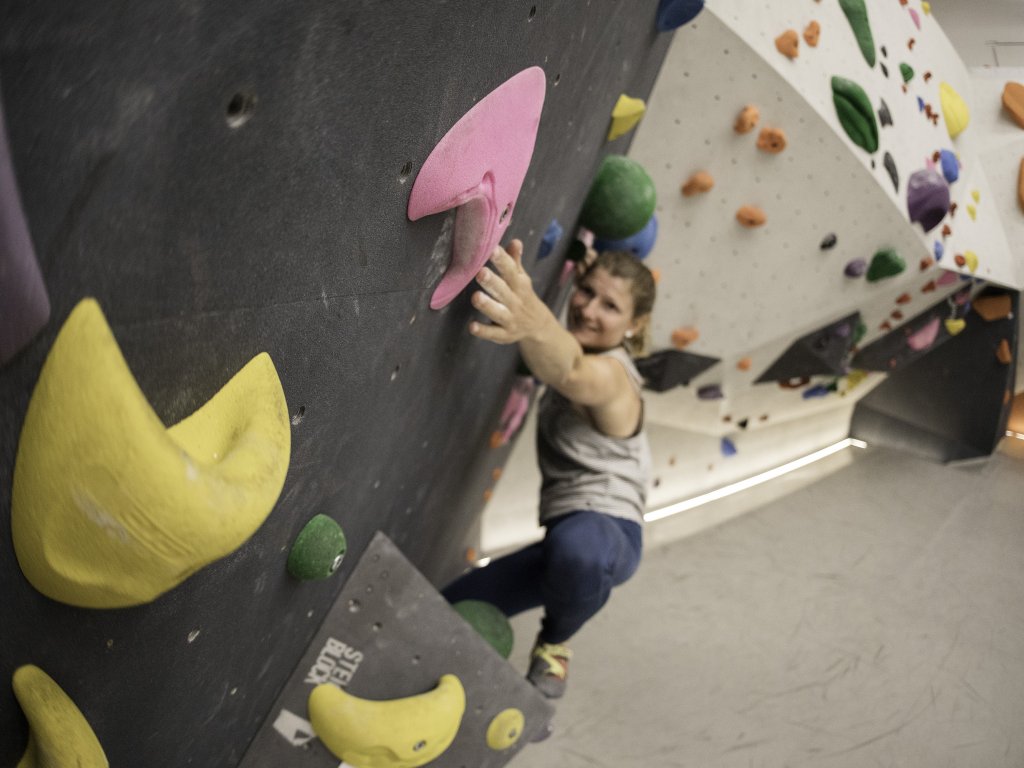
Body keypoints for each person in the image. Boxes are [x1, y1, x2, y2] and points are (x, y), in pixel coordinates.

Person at [443, 238, 655, 698]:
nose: (588, 310)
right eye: (586, 292)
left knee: (578, 549)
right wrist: (585, 251)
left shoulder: (616, 377)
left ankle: (555, 643)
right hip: (563, 541)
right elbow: (564, 350)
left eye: (611, 307)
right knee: (449, 610)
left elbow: (574, 372)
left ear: (635, 326)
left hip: (607, 535)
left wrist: (532, 319)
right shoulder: (578, 339)